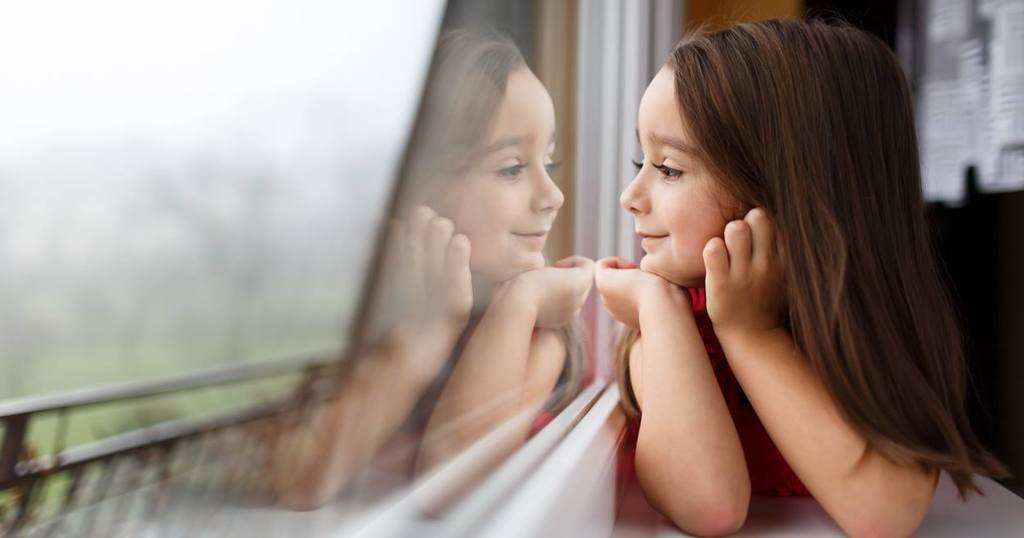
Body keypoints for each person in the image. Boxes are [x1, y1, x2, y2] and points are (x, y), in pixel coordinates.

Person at [595, 18, 1007, 537]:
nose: (629, 196)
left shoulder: (860, 326)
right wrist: (658, 307)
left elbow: (886, 512)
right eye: (641, 160)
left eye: (670, 169)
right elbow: (710, 507)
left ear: (784, 191)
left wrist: (752, 331)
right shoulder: (669, 314)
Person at [270, 29, 592, 511]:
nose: (553, 196)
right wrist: (426, 333)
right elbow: (301, 481)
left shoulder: (540, 327)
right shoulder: (365, 319)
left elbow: (450, 485)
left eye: (550, 162)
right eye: (511, 168)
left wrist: (518, 301)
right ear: (417, 187)